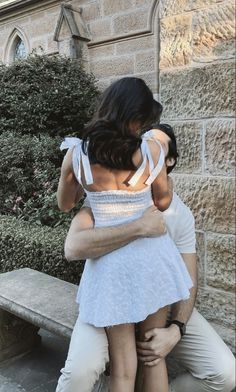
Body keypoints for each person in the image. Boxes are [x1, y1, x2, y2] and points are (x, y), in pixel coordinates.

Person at [56, 124, 236, 392]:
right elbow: (72, 247)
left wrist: (176, 328)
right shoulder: (103, 201)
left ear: (168, 161)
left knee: (223, 373)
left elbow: (187, 277)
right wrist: (138, 227)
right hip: (112, 297)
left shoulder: (179, 214)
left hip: (160, 297)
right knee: (81, 372)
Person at [57, 77, 193, 392]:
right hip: (152, 259)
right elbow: (162, 202)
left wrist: (77, 181)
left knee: (122, 367)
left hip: (111, 267)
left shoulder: (77, 155)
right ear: (135, 117)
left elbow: (65, 204)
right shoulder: (152, 150)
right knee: (153, 357)